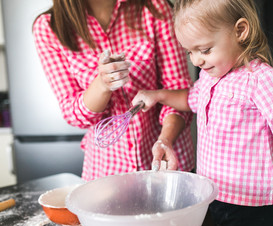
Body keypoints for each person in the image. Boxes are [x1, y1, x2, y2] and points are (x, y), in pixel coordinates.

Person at [132, 0, 273, 226]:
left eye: (204, 50)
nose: (196, 61)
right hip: (210, 197)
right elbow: (191, 99)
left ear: (240, 31)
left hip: (250, 208)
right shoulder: (209, 76)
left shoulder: (260, 80)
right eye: (189, 52)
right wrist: (159, 95)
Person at [32, 0, 195, 181]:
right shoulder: (49, 27)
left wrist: (165, 140)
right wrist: (102, 84)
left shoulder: (153, 7)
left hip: (169, 166)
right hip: (107, 174)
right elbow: (73, 112)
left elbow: (179, 90)